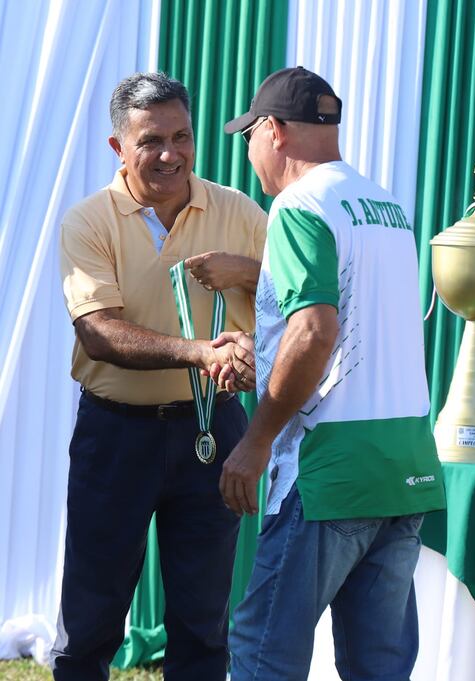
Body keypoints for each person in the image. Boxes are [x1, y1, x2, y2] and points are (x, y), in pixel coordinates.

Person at [217, 66, 446, 681]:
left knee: (265, 653)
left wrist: (256, 440)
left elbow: (316, 331)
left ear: (274, 131)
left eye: (249, 136)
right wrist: (265, 351)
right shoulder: (385, 204)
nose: (248, 152)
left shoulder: (297, 206)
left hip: (328, 470)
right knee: (379, 666)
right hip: (404, 464)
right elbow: (360, 325)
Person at [51, 72, 267, 681]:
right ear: (118, 147)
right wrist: (203, 354)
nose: (171, 153)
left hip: (213, 431)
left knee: (202, 626)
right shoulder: (89, 221)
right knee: (90, 622)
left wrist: (249, 288)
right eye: (151, 141)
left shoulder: (241, 212)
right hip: (115, 435)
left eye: (182, 136)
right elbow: (99, 332)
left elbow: (292, 305)